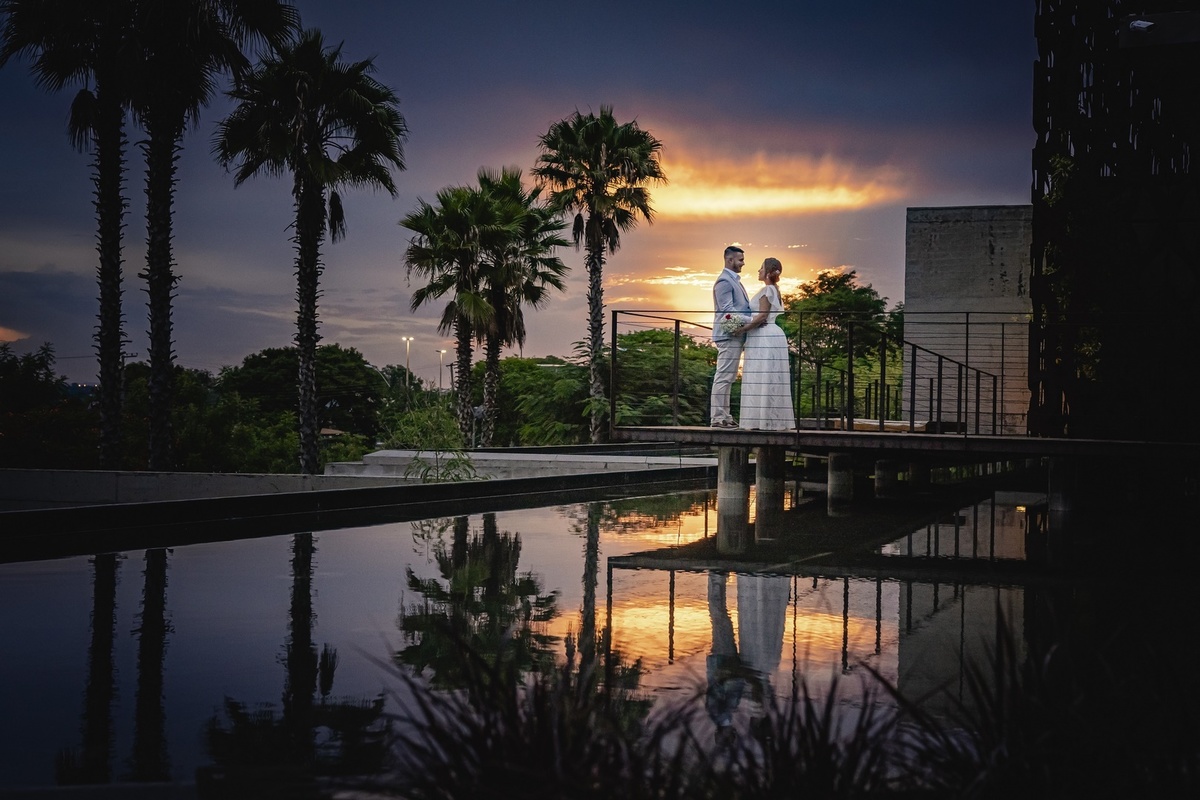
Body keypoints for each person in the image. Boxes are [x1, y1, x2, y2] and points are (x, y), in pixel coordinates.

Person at [739, 257, 794, 430]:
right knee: (769, 376)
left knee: (763, 374)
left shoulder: (767, 290)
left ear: (768, 272)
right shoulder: (774, 289)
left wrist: (742, 329)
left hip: (764, 335)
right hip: (772, 334)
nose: (758, 271)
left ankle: (761, 421)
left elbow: (762, 315)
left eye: (761, 268)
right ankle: (768, 419)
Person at [709, 245, 753, 427]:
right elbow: (727, 312)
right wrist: (754, 319)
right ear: (729, 260)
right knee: (723, 376)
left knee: (729, 377)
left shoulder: (734, 280)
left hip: (735, 335)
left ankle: (725, 417)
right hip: (728, 335)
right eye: (740, 259)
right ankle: (718, 418)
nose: (743, 263)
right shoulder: (725, 282)